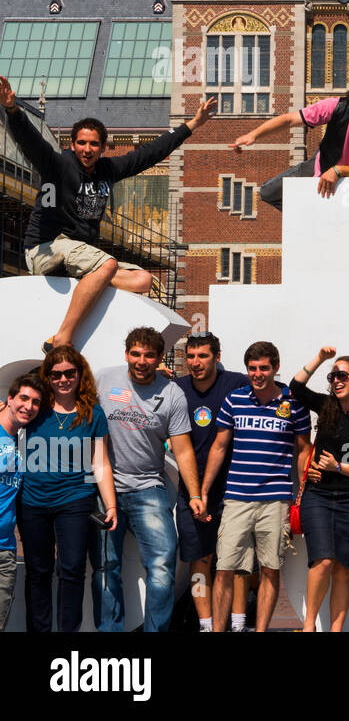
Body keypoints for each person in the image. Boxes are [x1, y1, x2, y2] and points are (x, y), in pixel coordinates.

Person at [0, 75, 216, 351]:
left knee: (143, 279)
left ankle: (91, 300)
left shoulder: (107, 171)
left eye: (93, 144)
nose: (87, 150)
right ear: (72, 144)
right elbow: (31, 143)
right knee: (107, 264)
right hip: (47, 248)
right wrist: (12, 110)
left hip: (78, 257)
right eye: (81, 143)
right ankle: (62, 337)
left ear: (103, 147)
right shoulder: (57, 165)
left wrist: (192, 124)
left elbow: (149, 153)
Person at [95, 327, 202, 632]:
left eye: (149, 355)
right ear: (126, 353)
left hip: (148, 487)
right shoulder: (104, 379)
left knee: (163, 564)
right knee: (105, 566)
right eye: (135, 353)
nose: (141, 361)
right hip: (105, 489)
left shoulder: (171, 394)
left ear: (159, 358)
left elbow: (182, 450)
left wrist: (194, 494)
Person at [201, 341, 312, 632]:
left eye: (264, 368)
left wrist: (301, 493)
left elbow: (303, 451)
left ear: (275, 368)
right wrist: (203, 490)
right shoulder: (234, 400)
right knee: (224, 568)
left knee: (270, 570)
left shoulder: (293, 404)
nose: (258, 374)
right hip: (237, 498)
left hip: (275, 501)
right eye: (252, 368)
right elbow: (219, 446)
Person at [19, 347, 117, 632]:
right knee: (38, 572)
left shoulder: (93, 413)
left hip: (76, 499)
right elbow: (10, 413)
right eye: (56, 374)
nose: (63, 379)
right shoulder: (36, 408)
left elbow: (100, 462)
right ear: (47, 376)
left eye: (69, 373)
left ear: (79, 374)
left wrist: (110, 505)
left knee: (73, 570)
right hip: (32, 500)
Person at [289, 347, 349, 632]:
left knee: (343, 568)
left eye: (343, 375)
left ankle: (336, 629)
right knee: (323, 560)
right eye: (333, 376)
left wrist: (338, 467)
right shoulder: (327, 407)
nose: (336, 380)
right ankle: (309, 626)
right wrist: (321, 359)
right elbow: (296, 387)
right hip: (318, 495)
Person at [232, 64, 349, 209]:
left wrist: (338, 171)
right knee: (268, 192)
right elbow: (290, 119)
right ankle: (306, 213)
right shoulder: (336, 106)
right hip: (321, 164)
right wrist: (253, 135)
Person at [174, 332, 250, 631]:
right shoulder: (175, 388)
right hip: (191, 491)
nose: (196, 362)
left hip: (232, 489)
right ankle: (206, 624)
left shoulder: (237, 383)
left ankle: (238, 623)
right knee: (199, 559)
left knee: (238, 559)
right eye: (190, 356)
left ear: (217, 357)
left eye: (203, 356)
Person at [0, 375, 43, 630]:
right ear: (9, 399)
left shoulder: (22, 446)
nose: (29, 406)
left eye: (36, 402)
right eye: (24, 398)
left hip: (5, 552)